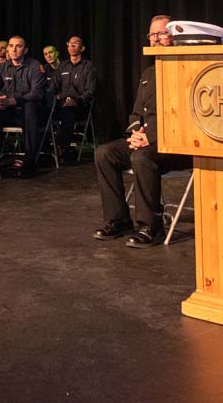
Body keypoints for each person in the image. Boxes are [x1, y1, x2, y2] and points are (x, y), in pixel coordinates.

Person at [94, 15, 187, 247]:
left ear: (175, 36)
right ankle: (119, 220)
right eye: (152, 35)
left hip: (177, 144)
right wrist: (137, 134)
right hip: (146, 141)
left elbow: (186, 117)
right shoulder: (148, 74)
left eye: (162, 33)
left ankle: (151, 227)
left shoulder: (187, 71)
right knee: (104, 153)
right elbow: (136, 114)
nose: (155, 39)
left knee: (141, 157)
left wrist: (151, 137)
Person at [0, 35, 49, 178]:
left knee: (30, 106)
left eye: (18, 46)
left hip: (33, 112)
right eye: (11, 46)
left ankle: (30, 159)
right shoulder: (3, 67)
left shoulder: (35, 66)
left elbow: (37, 94)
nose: (14, 49)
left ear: (25, 50)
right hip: (12, 112)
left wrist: (13, 101)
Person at [53, 36, 97, 156]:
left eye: (75, 44)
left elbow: (90, 91)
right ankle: (43, 148)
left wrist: (77, 100)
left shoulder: (88, 67)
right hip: (62, 103)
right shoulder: (62, 66)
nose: (71, 46)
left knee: (68, 110)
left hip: (80, 106)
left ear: (82, 48)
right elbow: (53, 87)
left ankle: (62, 148)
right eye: (69, 43)